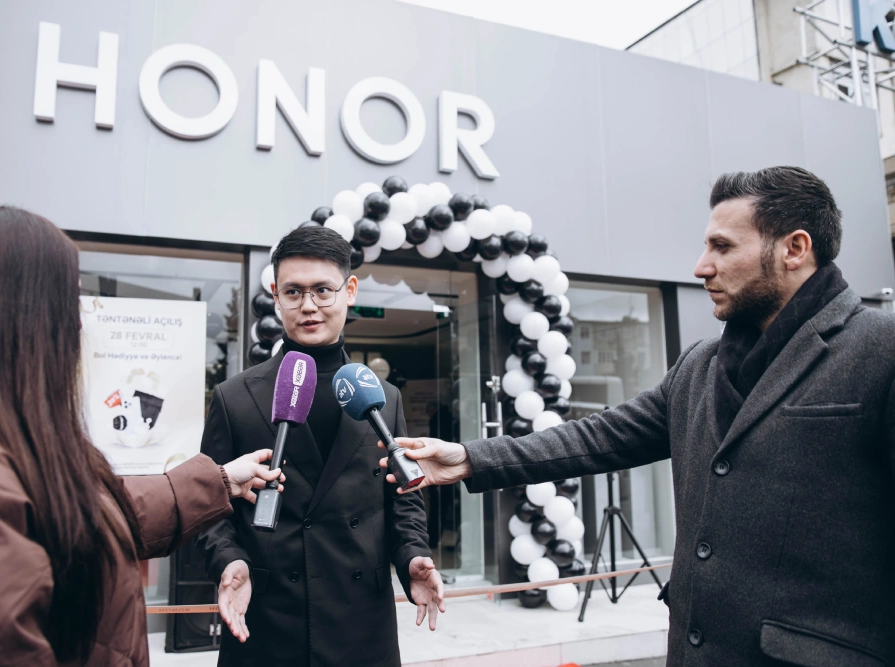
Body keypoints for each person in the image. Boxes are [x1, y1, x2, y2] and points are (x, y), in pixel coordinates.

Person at [380, 167, 895, 666]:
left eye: (722, 246)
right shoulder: (700, 365)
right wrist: (470, 458)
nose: (701, 266)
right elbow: (597, 437)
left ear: (795, 249)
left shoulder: (880, 351)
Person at [0, 203, 285, 666]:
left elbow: (84, 515)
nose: (80, 324)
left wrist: (217, 481)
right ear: (12, 314)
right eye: (68, 303)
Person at [196, 225, 442, 667]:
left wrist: (413, 555)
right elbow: (209, 504)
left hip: (361, 626)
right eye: (293, 292)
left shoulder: (385, 398)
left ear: (350, 290)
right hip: (268, 623)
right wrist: (228, 561)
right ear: (276, 296)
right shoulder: (235, 398)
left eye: (322, 290)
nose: (308, 306)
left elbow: (403, 498)